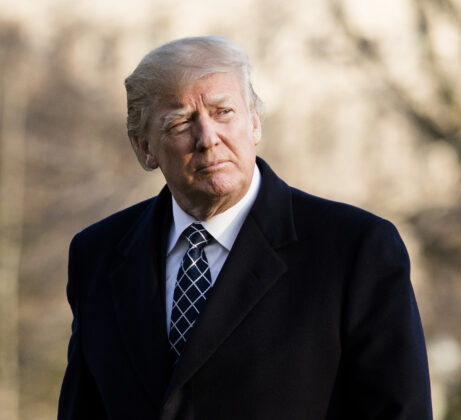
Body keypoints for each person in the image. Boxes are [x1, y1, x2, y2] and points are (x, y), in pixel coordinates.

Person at [57, 35, 432, 420]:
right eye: (181, 121)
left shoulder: (355, 249)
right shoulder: (97, 255)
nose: (207, 138)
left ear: (254, 121)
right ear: (145, 147)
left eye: (223, 112)